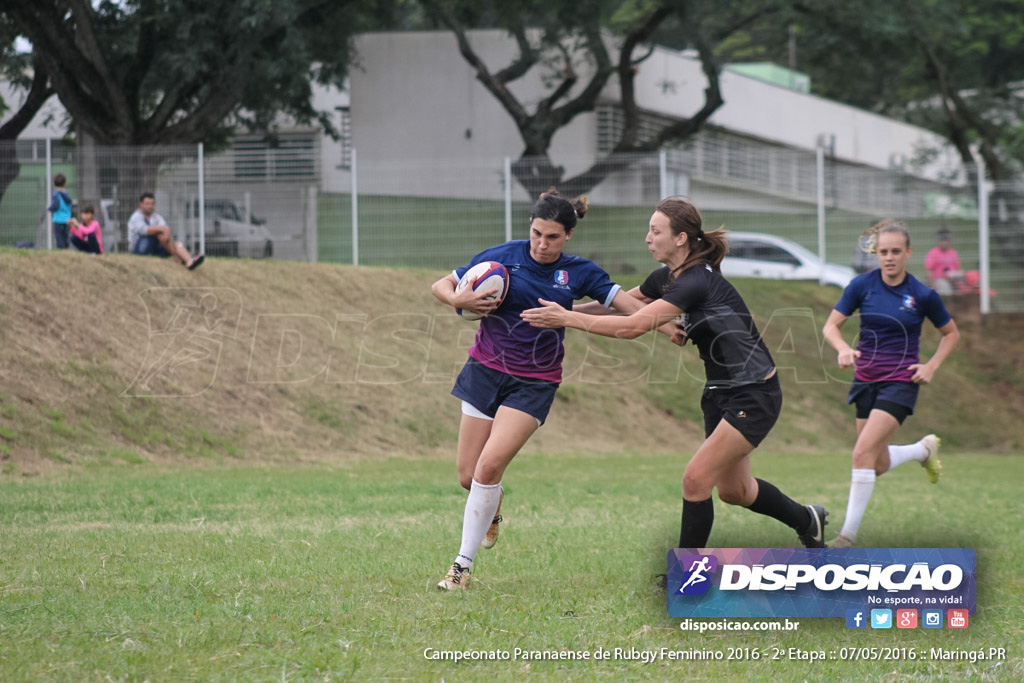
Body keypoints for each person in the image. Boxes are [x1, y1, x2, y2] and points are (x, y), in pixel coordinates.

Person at [522, 196, 829, 554]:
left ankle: (688, 574)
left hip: (754, 392)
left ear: (680, 238)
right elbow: (619, 306)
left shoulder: (696, 280)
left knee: (695, 480)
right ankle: (808, 520)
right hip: (719, 392)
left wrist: (567, 319)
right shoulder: (667, 278)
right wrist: (557, 310)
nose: (648, 238)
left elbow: (634, 327)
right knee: (735, 492)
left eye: (656, 231)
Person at [430, 189, 642, 590]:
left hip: (534, 382)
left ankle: (460, 568)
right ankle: (492, 510)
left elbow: (625, 304)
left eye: (553, 237)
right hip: (484, 372)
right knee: (466, 476)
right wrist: (458, 298)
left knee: (488, 469)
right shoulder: (502, 257)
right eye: (537, 234)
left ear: (569, 236)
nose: (542, 244)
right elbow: (441, 285)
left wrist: (665, 324)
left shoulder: (579, 272)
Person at [822, 219, 960, 548]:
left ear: (908, 253)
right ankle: (922, 450)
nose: (889, 257)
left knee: (860, 455)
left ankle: (846, 537)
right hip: (865, 380)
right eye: (883, 252)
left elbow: (951, 334)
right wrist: (843, 349)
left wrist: (932, 366)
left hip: (900, 383)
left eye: (896, 251)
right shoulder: (861, 285)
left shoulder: (922, 295)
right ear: (876, 253)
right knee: (876, 463)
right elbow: (830, 327)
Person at [127, 192, 204, 270]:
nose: (150, 206)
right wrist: (161, 229)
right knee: (158, 233)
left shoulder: (156, 217)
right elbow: (144, 231)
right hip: (139, 249)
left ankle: (189, 261)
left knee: (176, 243)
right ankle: (180, 258)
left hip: (155, 248)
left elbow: (168, 229)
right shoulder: (135, 217)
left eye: (152, 204)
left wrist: (166, 234)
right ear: (141, 204)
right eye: (147, 204)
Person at [923, 226, 962, 295]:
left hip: (953, 280)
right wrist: (933, 284)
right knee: (945, 288)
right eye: (942, 240)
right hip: (939, 280)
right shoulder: (933, 253)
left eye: (946, 240)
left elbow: (959, 269)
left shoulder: (953, 253)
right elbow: (928, 271)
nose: (944, 242)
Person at [47, 173, 73, 250]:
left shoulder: (56, 195)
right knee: (65, 236)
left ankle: (61, 250)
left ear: (54, 185)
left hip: (58, 220)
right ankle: (66, 249)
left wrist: (49, 207)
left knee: (59, 236)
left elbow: (55, 206)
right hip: (67, 220)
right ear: (64, 184)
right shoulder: (67, 194)